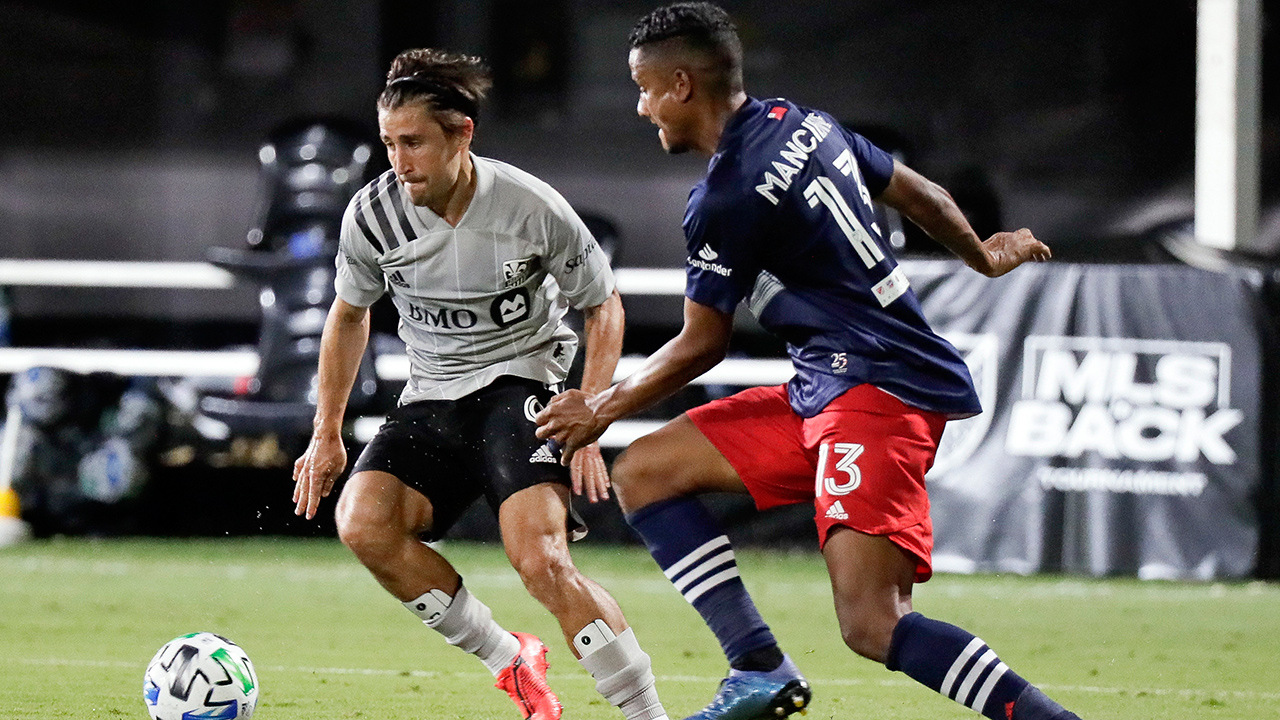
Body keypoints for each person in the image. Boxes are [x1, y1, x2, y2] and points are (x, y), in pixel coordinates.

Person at [536, 4, 1080, 720]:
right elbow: (918, 192)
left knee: (873, 623)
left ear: (681, 85)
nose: (641, 108)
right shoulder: (806, 123)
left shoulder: (727, 195)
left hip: (875, 392)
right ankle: (759, 668)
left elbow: (702, 343)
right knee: (647, 471)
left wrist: (600, 406)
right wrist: (981, 254)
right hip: (830, 386)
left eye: (644, 89)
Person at [291, 48, 669, 720]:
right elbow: (348, 316)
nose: (399, 162)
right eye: (388, 144)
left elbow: (603, 304)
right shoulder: (372, 215)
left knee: (541, 563)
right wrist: (326, 432)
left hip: (520, 383)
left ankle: (648, 716)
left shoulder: (529, 206)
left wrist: (592, 411)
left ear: (462, 134)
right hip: (432, 395)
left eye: (413, 143)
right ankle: (509, 658)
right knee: (364, 524)